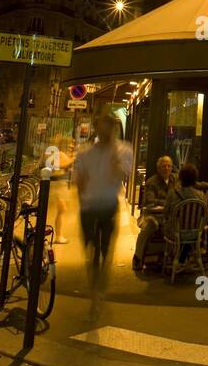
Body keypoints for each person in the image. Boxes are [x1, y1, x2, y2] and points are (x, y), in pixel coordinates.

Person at [72, 113, 131, 316]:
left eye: (110, 128)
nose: (105, 132)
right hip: (88, 208)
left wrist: (113, 148)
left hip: (108, 206)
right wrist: (82, 199)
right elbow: (79, 181)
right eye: (102, 127)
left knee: (105, 252)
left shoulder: (124, 150)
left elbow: (119, 174)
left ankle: (99, 291)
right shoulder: (85, 152)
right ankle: (94, 293)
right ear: (96, 128)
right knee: (91, 253)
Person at [132, 154, 173, 271]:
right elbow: (150, 201)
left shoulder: (175, 179)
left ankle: (169, 258)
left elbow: (192, 184)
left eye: (169, 166)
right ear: (158, 168)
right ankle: (137, 258)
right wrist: (168, 202)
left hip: (166, 217)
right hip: (150, 216)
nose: (166, 168)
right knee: (150, 226)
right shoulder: (152, 182)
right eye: (164, 166)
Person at [162, 163, 207, 266]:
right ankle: (182, 258)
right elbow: (205, 218)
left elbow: (165, 214)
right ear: (195, 178)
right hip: (194, 234)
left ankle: (175, 258)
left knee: (167, 226)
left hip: (175, 233)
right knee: (187, 233)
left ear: (180, 177)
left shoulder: (172, 194)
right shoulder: (201, 196)